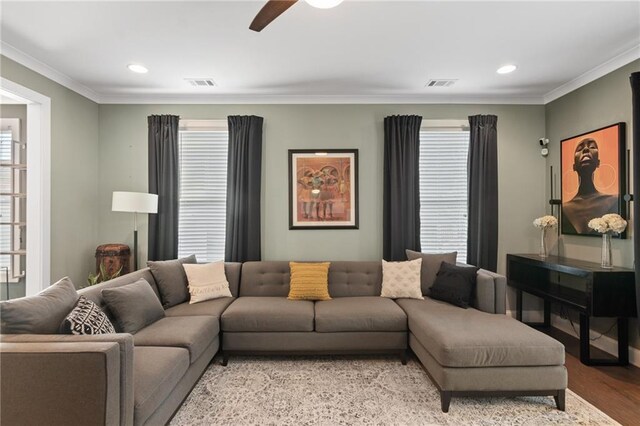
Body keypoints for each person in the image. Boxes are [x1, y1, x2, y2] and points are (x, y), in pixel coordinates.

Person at [562, 137, 619, 234]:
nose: (586, 149)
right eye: (579, 149)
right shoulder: (563, 208)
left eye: (592, 147)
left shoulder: (614, 200)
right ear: (574, 166)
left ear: (598, 163)